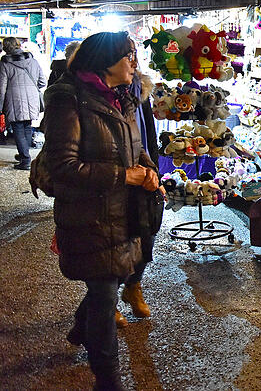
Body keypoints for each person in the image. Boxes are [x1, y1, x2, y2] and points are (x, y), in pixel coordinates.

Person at [42, 31, 159, 390]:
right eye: (128, 56)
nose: (134, 63)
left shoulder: (125, 98)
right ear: (105, 61)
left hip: (124, 213)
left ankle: (81, 329)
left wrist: (148, 170)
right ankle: (109, 383)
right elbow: (62, 166)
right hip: (89, 217)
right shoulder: (69, 100)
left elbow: (134, 147)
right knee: (105, 297)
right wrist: (126, 175)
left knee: (105, 286)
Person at [119, 67, 160, 323]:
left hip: (143, 172)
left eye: (134, 55)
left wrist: (154, 170)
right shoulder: (98, 95)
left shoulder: (139, 89)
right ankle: (104, 301)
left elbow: (148, 136)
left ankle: (134, 286)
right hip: (116, 176)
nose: (131, 62)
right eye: (126, 55)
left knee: (148, 233)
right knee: (115, 241)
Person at [0, 37, 47, 170]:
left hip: (14, 100)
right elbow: (42, 82)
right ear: (18, 45)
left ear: (6, 48)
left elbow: (2, 88)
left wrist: (0, 106)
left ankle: (25, 159)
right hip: (32, 99)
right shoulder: (32, 60)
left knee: (18, 129)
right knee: (27, 126)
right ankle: (24, 155)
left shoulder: (5, 64)